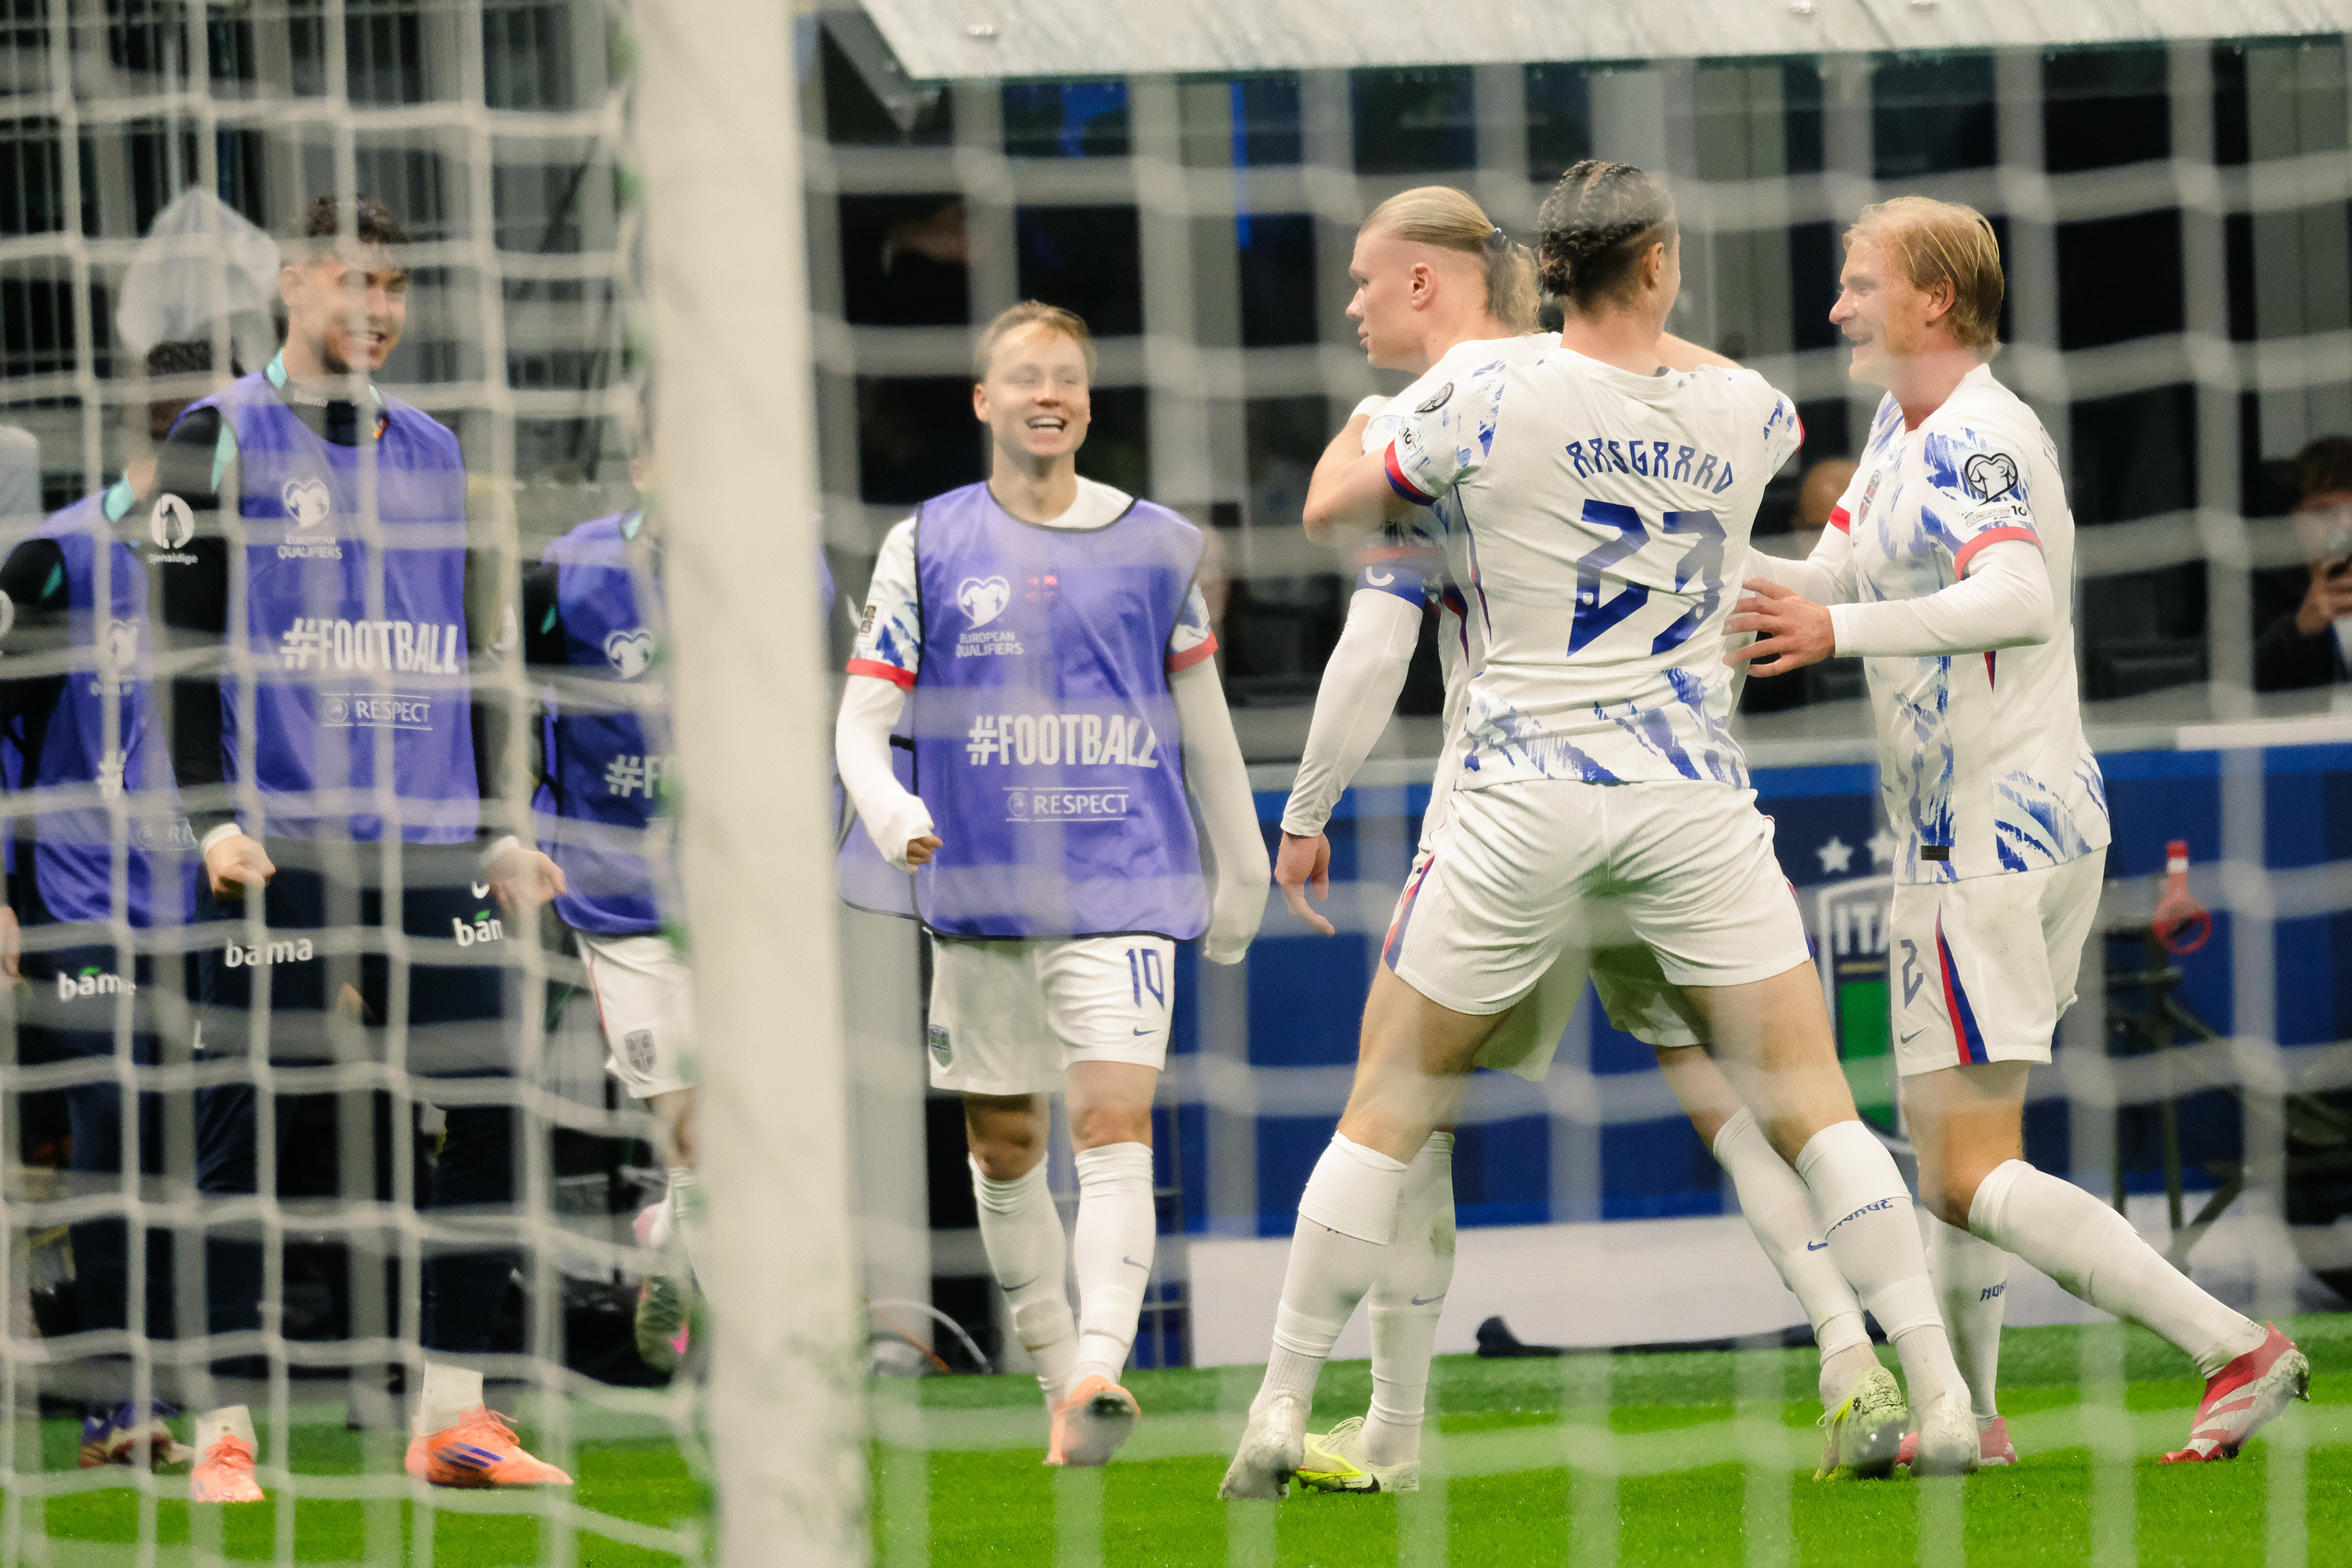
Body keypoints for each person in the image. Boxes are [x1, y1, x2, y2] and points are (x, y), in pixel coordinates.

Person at [1219, 159, 1983, 1501]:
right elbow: (1718, 388)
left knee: (1390, 1109)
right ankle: (1936, 1390)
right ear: (1661, 265)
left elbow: (1334, 504)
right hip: (1689, 803)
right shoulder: (1749, 410)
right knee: (1808, 1110)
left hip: (1521, 798)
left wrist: (1377, 419)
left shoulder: (1473, 398)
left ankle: (1285, 1404)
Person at [1732, 195, 2307, 1466]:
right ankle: (1978, 1418)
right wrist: (1689, 568)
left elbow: (2021, 594)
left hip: (1988, 838)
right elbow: (1824, 575)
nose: (1837, 307)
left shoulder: (1976, 436)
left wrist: (1839, 632)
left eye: (1860, 284)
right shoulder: (1902, 424)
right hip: (2000, 829)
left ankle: (2234, 1345)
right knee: (1961, 1144)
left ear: (1936, 298)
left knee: (1957, 1167)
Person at [148, 194, 571, 1502]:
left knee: (496, 1104)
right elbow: (179, 654)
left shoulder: (436, 449)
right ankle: (222, 1429)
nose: (378, 308)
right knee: (246, 1129)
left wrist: (501, 826)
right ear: (293, 284)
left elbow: (467, 654)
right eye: (354, 282)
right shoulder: (213, 436)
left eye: (394, 286)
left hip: (431, 844)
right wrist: (212, 820)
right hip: (279, 843)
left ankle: (455, 1415)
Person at [835, 301, 1269, 1466]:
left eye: (1067, 377)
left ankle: (1099, 1371)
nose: (1049, 394)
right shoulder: (924, 543)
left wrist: (1244, 867)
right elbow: (861, 720)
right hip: (978, 887)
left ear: (1087, 400)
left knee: (1112, 1123)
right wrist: (892, 809)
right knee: (1006, 1147)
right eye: (1026, 377)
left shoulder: (1159, 545)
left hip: (1123, 878)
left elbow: (1205, 723)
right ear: (984, 401)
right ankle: (1056, 1374)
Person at [0, 341, 227, 1470]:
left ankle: (151, 1390)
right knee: (109, 1125)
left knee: (169, 1152)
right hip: (74, 895)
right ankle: (114, 1404)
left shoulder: (226, 561)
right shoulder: (56, 560)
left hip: (188, 900)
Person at [2253, 436, 2352, 692]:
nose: (2343, 527)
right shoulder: (2256, 591)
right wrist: (2298, 629)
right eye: (2324, 513)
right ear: (2295, 519)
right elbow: (2224, 688)